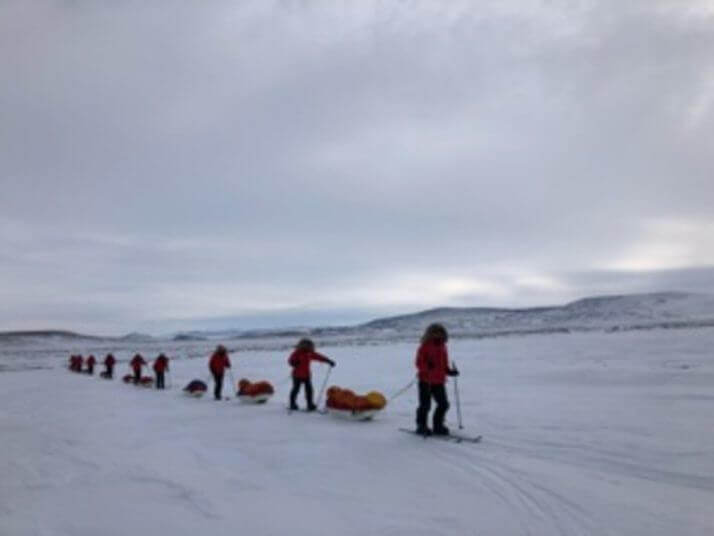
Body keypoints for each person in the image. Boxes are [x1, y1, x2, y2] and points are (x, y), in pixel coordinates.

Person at [415, 323, 459, 436]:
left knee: (444, 404)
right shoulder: (424, 346)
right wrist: (426, 366)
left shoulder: (443, 346)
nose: (437, 334)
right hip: (426, 380)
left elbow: (443, 364)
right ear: (430, 333)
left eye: (440, 332)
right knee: (425, 405)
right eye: (435, 332)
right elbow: (419, 363)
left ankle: (438, 425)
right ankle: (421, 426)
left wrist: (449, 371)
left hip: (439, 381)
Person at [288, 338, 335, 411]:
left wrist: (328, 361)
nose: (311, 347)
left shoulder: (310, 353)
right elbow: (290, 360)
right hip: (297, 375)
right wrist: (293, 363)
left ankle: (310, 405)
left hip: (306, 375)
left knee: (309, 390)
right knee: (296, 389)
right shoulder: (297, 353)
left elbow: (319, 357)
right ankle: (292, 404)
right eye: (309, 346)